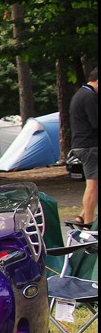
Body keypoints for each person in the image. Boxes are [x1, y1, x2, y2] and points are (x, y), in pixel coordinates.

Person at [67, 67, 98, 228]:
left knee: (96, 184)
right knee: (92, 184)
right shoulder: (89, 96)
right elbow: (96, 122)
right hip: (89, 146)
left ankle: (82, 217)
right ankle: (89, 225)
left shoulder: (81, 93)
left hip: (82, 144)